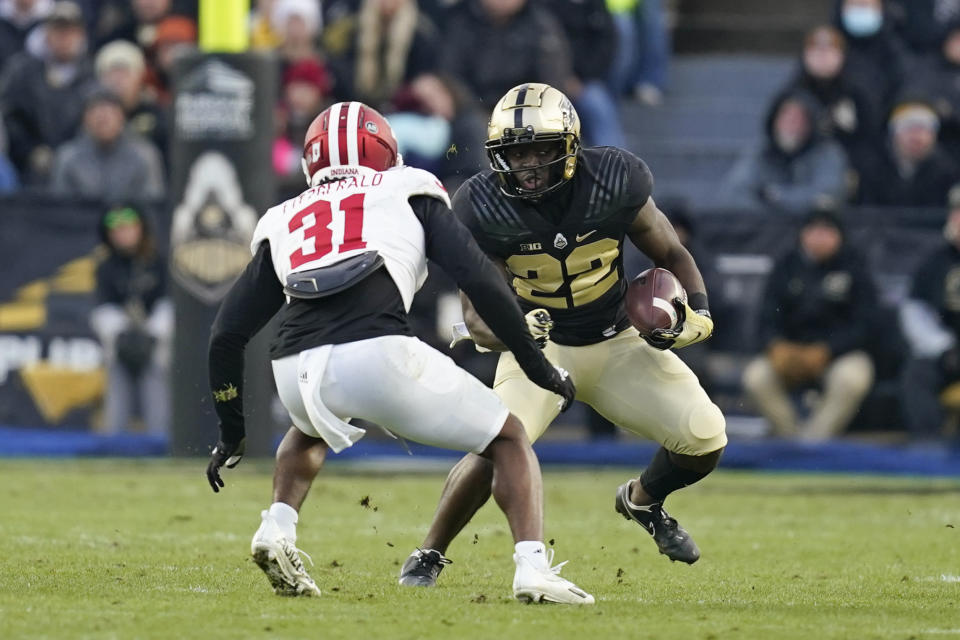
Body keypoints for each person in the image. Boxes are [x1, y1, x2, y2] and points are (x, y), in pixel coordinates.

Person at [204, 101, 594, 605]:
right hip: (377, 352)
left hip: (294, 367)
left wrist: (230, 433)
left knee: (308, 429)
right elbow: (478, 277)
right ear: (386, 151)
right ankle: (533, 568)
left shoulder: (283, 215)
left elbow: (225, 336)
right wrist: (539, 365)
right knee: (509, 438)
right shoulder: (407, 185)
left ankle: (276, 528)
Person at [398, 83, 726, 588]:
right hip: (539, 348)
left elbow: (671, 251)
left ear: (569, 145)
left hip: (618, 339)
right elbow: (475, 313)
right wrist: (514, 334)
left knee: (705, 438)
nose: (527, 164)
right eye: (516, 153)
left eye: (540, 149)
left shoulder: (615, 179)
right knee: (496, 447)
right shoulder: (480, 205)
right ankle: (429, 553)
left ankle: (643, 500)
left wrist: (698, 311)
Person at [742, 209, 877, 440]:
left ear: (840, 236)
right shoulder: (786, 266)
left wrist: (828, 350)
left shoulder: (855, 267)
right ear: (803, 234)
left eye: (827, 230)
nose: (819, 236)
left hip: (838, 355)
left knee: (852, 378)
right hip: (790, 352)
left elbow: (867, 325)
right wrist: (776, 346)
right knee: (756, 377)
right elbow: (766, 318)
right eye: (814, 229)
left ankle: (813, 442)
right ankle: (790, 438)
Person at [89, 204, 172, 437]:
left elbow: (170, 304)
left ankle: (160, 442)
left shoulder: (160, 262)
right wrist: (122, 335)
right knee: (116, 380)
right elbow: (102, 309)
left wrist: (153, 334)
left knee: (155, 376)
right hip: (120, 344)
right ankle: (113, 445)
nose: (121, 233)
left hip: (157, 344)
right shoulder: (105, 267)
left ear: (141, 228)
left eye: (128, 227)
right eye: (115, 229)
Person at [0, 0, 94, 184]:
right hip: (29, 169)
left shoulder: (92, 75)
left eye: (70, 31)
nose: (64, 38)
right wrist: (30, 151)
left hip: (82, 169)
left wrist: (73, 153)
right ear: (46, 34)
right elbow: (11, 116)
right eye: (58, 31)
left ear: (81, 35)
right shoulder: (23, 73)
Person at [718, 88, 850, 214]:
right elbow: (733, 196)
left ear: (811, 124)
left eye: (800, 119)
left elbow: (827, 198)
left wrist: (775, 196)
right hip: (766, 232)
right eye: (786, 117)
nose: (792, 124)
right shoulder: (758, 154)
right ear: (774, 120)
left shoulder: (829, 154)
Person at [899, 186, 960, 443]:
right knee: (916, 374)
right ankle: (929, 447)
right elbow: (914, 312)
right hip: (948, 352)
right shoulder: (934, 262)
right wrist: (944, 347)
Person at [49, 86, 166, 202]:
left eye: (110, 112)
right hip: (79, 220)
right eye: (95, 111)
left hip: (128, 219)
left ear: (122, 117)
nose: (103, 118)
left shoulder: (145, 155)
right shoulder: (67, 157)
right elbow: (60, 210)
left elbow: (153, 207)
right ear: (84, 119)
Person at [858, 99, 960, 207]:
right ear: (894, 134)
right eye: (909, 129)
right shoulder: (872, 169)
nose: (917, 138)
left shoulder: (948, 172)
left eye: (923, 130)